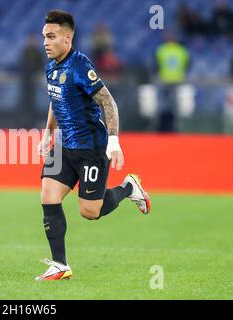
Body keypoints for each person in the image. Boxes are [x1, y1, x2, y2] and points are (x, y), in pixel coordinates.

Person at [36, 10, 151, 281]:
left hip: (91, 147)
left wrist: (113, 141)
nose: (45, 42)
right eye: (44, 37)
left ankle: (128, 188)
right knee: (48, 195)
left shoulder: (80, 66)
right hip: (65, 144)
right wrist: (47, 134)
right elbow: (56, 100)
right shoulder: (50, 66)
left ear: (68, 37)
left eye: (51, 37)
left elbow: (108, 102)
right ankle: (60, 265)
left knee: (90, 212)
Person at [155, 33, 190, 132]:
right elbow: (187, 64)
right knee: (174, 105)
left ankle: (163, 127)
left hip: (164, 79)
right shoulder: (182, 50)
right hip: (177, 80)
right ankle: (172, 128)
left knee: (163, 105)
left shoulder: (161, 49)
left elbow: (156, 64)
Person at [19, 33, 44, 128]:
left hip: (34, 81)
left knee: (33, 102)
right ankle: (23, 122)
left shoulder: (38, 53)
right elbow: (21, 64)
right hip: (25, 81)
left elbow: (40, 65)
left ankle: (33, 122)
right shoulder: (25, 51)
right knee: (24, 101)